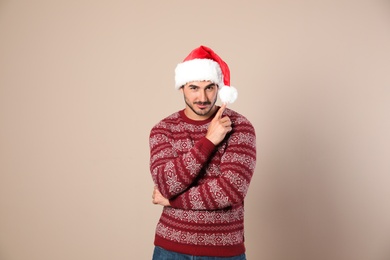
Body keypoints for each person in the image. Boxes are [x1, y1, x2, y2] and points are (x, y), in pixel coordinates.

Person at [149, 45, 256, 260]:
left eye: (210, 88)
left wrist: (172, 201)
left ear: (219, 88)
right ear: (182, 88)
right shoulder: (163, 129)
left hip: (223, 253)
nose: (203, 97)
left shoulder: (240, 126)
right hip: (170, 250)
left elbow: (229, 191)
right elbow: (165, 184)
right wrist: (209, 140)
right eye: (194, 88)